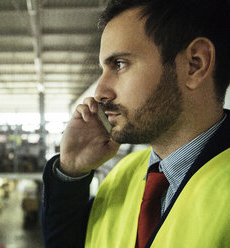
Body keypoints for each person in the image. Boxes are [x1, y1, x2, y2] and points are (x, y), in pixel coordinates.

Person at [41, 0, 230, 247]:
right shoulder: (125, 173)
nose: (100, 92)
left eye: (120, 64)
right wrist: (71, 171)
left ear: (194, 64)